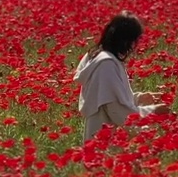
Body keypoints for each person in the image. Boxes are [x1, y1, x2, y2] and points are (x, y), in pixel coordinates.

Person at [73, 13, 170, 144]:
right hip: (106, 136)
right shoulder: (106, 64)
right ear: (125, 40)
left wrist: (139, 98)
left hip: (100, 130)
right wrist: (152, 111)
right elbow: (116, 110)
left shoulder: (97, 57)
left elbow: (108, 98)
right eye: (133, 41)